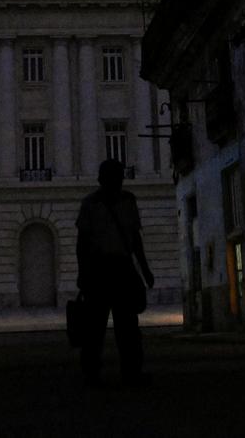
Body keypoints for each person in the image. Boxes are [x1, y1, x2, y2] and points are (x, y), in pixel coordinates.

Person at [75, 158, 155, 385]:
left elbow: (134, 239)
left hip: (116, 268)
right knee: (100, 327)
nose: (116, 182)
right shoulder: (91, 204)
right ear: (103, 180)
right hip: (103, 269)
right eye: (113, 177)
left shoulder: (122, 202)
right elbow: (83, 243)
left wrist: (145, 268)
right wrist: (83, 272)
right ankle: (100, 372)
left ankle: (124, 371)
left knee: (123, 326)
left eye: (118, 177)